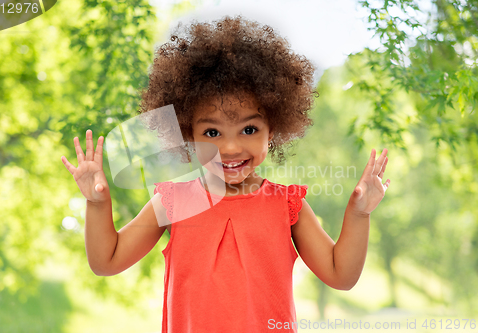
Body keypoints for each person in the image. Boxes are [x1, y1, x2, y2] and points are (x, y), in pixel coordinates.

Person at [61, 15, 390, 333]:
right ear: (189, 134)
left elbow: (340, 275)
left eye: (248, 129)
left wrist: (359, 213)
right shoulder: (173, 202)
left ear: (272, 129)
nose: (230, 148)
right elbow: (107, 261)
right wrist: (97, 203)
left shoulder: (287, 206)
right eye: (212, 133)